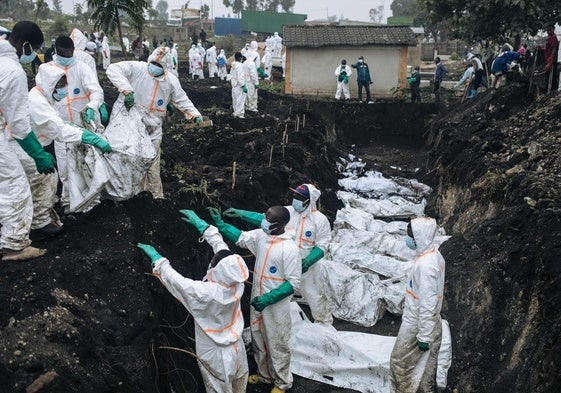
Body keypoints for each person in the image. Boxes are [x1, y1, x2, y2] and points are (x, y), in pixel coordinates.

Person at [137, 208, 250, 393]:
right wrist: (206, 229)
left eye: (213, 263)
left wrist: (158, 261)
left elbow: (178, 282)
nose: (211, 262)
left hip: (216, 353)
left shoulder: (206, 293)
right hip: (237, 348)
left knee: (218, 389)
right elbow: (223, 252)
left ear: (219, 271)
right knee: (239, 384)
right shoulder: (237, 282)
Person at [207, 205, 301, 393]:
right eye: (265, 215)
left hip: (275, 306)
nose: (263, 219)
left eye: (268, 218)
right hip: (257, 298)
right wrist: (220, 224)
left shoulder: (289, 248)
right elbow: (241, 238)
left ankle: (282, 382)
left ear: (279, 224)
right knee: (258, 338)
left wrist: (269, 298)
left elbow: (293, 283)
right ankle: (265, 375)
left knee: (277, 342)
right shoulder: (262, 236)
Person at [14, 65, 111, 236]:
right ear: (49, 84)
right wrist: (91, 138)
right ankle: (39, 223)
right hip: (22, 146)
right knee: (42, 180)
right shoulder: (36, 101)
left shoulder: (48, 99)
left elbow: (59, 123)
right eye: (59, 86)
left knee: (42, 181)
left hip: (35, 143)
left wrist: (79, 129)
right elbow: (59, 129)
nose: (63, 90)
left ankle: (37, 216)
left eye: (64, 85)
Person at [223, 184, 333, 327]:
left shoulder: (320, 220)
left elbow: (322, 245)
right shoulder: (288, 212)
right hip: (283, 263)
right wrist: (241, 213)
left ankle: (324, 323)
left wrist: (307, 262)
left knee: (315, 295)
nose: (295, 200)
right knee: (281, 297)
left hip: (307, 268)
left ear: (309, 200)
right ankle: (278, 326)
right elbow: (265, 219)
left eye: (299, 197)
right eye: (295, 196)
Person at [106, 46, 203, 199]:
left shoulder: (170, 81)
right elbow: (113, 69)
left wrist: (194, 114)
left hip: (153, 124)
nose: (155, 67)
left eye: (159, 66)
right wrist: (126, 90)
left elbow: (181, 99)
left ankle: (155, 197)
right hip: (130, 119)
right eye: (154, 63)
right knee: (127, 157)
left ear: (166, 68)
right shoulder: (137, 68)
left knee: (152, 161)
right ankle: (124, 194)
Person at [0, 20, 56, 261]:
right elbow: (19, 125)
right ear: (25, 45)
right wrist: (38, 153)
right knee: (15, 185)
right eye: (34, 48)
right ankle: (13, 245)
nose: (33, 54)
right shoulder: (12, 72)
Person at [49, 35, 105, 212]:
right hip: (61, 126)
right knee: (65, 167)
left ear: (73, 51)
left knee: (86, 164)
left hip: (82, 124)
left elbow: (96, 90)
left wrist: (92, 106)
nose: (65, 55)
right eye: (62, 52)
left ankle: (91, 201)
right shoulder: (48, 70)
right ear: (56, 50)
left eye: (68, 52)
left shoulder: (81, 68)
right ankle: (68, 201)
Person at [390, 217, 445, 393]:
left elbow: (428, 303)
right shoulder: (433, 254)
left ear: (420, 237)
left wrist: (424, 336)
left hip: (417, 324)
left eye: (410, 236)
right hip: (429, 322)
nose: (408, 239)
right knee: (428, 365)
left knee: (399, 363)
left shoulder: (426, 266)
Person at [229, 51, 247, 118]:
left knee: (235, 100)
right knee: (240, 100)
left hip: (234, 85)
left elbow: (231, 74)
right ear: (240, 58)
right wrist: (243, 85)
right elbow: (240, 76)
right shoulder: (240, 66)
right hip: (239, 86)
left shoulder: (233, 65)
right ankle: (239, 114)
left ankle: (236, 112)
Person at [545, 25, 559, 91]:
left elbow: (554, 49)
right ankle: (548, 88)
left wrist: (550, 61)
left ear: (553, 29)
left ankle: (551, 90)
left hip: (552, 60)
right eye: (547, 30)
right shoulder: (549, 37)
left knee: (552, 75)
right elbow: (548, 48)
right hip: (548, 59)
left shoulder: (554, 38)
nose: (548, 31)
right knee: (547, 75)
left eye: (550, 30)